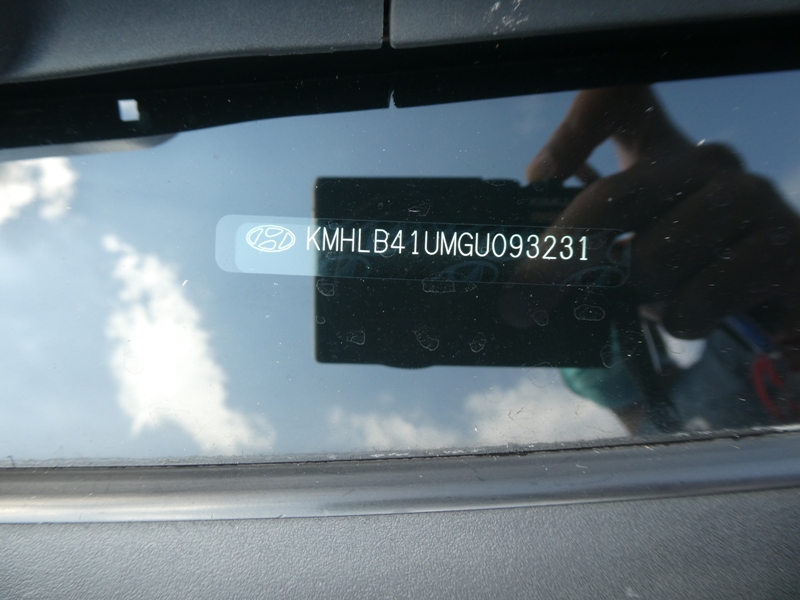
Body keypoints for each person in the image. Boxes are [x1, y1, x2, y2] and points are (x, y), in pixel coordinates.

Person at [521, 85, 800, 432]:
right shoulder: (734, 359)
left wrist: (781, 306)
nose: (584, 308)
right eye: (563, 307)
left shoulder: (738, 355)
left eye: (594, 289)